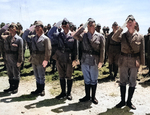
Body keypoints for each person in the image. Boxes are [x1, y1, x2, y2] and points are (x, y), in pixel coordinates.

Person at [112, 15, 145, 110]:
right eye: (128, 21)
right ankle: (122, 101)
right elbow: (114, 38)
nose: (130, 22)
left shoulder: (140, 36)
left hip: (134, 62)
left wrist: (141, 64)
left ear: (135, 23)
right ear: (126, 24)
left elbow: (142, 51)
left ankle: (129, 102)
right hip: (123, 61)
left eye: (132, 21)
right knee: (122, 81)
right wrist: (120, 28)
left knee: (132, 82)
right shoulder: (122, 35)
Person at [73, 18, 105, 104]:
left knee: (93, 80)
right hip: (84, 60)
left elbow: (102, 50)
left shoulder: (100, 36)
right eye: (89, 23)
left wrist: (101, 61)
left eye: (92, 23)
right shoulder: (84, 35)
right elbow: (75, 35)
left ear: (95, 25)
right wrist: (83, 27)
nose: (91, 24)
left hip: (95, 60)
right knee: (87, 79)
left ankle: (93, 97)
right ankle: (87, 96)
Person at [48, 18, 77, 100]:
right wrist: (56, 26)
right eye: (63, 24)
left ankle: (69, 93)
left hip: (69, 58)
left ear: (69, 25)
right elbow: (49, 35)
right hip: (60, 57)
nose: (64, 25)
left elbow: (75, 48)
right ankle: (63, 92)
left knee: (69, 76)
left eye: (66, 24)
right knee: (61, 76)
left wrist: (75, 59)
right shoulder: (59, 35)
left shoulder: (73, 35)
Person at [30, 21, 51, 96]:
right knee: (36, 75)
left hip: (41, 59)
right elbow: (25, 36)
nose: (36, 29)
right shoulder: (34, 37)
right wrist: (30, 28)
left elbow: (48, 50)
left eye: (38, 27)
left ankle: (42, 89)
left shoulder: (45, 39)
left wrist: (46, 60)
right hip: (34, 58)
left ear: (42, 28)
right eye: (35, 27)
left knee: (41, 75)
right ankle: (38, 89)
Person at [2, 22, 23, 94]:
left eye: (12, 27)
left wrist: (20, 61)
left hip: (15, 58)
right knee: (9, 74)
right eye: (9, 28)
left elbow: (21, 51)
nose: (10, 29)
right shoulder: (7, 38)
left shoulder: (19, 39)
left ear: (16, 29)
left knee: (16, 74)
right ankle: (11, 87)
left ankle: (15, 88)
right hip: (8, 58)